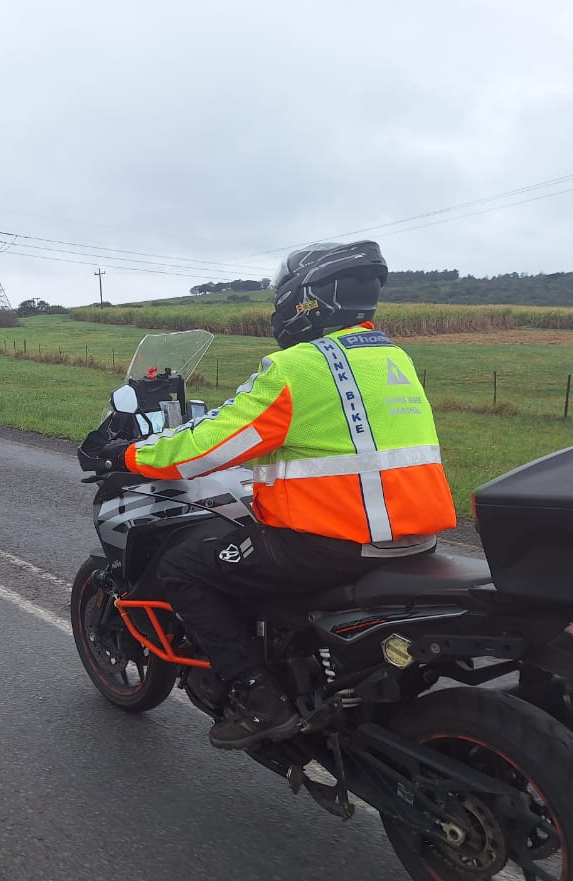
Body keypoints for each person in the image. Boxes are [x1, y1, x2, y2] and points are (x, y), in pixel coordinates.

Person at [93, 240, 456, 750]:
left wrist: (125, 455)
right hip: (417, 539)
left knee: (183, 566)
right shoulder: (392, 358)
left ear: (304, 301)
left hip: (331, 545)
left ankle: (259, 698)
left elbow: (205, 446)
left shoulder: (298, 367)